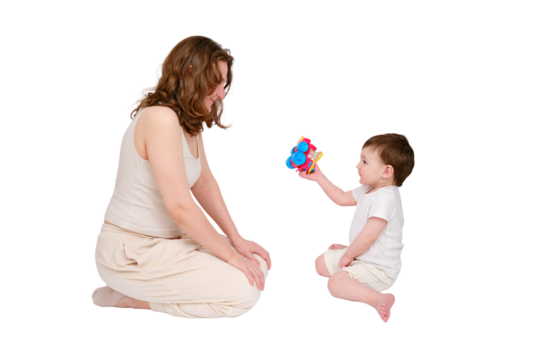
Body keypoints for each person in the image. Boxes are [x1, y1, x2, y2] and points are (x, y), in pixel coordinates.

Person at [92, 34, 271, 320]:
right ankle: (132, 299)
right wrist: (230, 255)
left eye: (225, 84)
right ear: (191, 73)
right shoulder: (160, 118)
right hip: (131, 252)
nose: (222, 93)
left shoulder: (188, 122)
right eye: (216, 82)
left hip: (168, 243)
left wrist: (236, 240)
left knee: (257, 264)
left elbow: (204, 182)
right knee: (244, 290)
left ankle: (138, 294)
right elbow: (180, 206)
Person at [299, 132, 414, 324]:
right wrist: (318, 177)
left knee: (334, 285)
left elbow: (369, 236)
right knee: (320, 262)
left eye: (365, 162)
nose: (357, 165)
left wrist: (348, 254)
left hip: (379, 269)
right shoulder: (369, 187)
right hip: (361, 256)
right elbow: (342, 198)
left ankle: (378, 299)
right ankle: (352, 264)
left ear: (386, 171)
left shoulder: (386, 197)